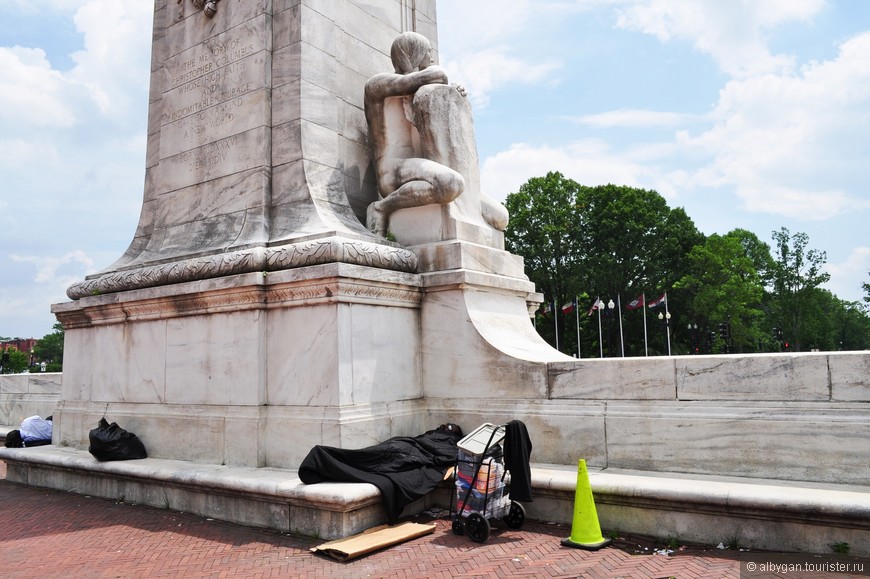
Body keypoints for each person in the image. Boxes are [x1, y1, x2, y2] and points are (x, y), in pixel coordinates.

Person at [364, 32, 507, 236]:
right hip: (393, 170)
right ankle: (382, 207)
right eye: (428, 51)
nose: (431, 58)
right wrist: (442, 81)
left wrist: (452, 92)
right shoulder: (378, 85)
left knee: (499, 216)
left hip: (422, 169)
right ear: (415, 52)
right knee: (451, 184)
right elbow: (434, 75)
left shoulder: (417, 93)